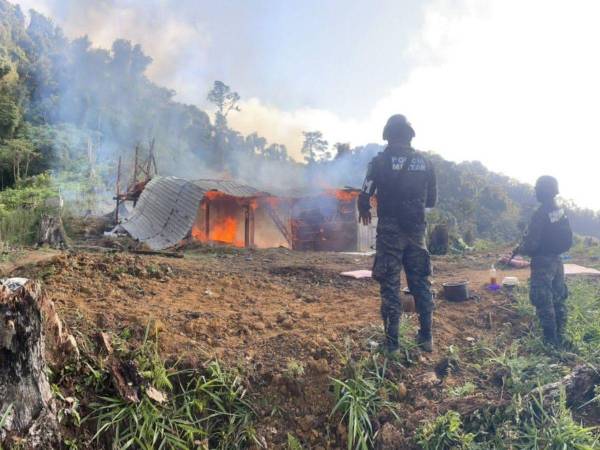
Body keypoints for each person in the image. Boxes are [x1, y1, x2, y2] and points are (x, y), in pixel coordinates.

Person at [358, 114, 437, 353]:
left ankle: (392, 345)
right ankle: (426, 338)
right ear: (409, 136)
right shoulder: (425, 163)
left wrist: (365, 208)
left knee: (390, 287)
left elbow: (364, 195)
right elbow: (431, 200)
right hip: (416, 230)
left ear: (388, 136)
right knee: (420, 283)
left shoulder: (379, 162)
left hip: (390, 231)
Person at [513, 176, 573, 345]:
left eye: (537, 189)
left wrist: (521, 248)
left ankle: (550, 341)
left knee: (543, 298)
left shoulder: (541, 213)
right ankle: (561, 335)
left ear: (544, 191)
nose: (535, 192)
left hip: (543, 262)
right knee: (558, 297)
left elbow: (532, 243)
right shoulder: (559, 210)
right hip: (557, 260)